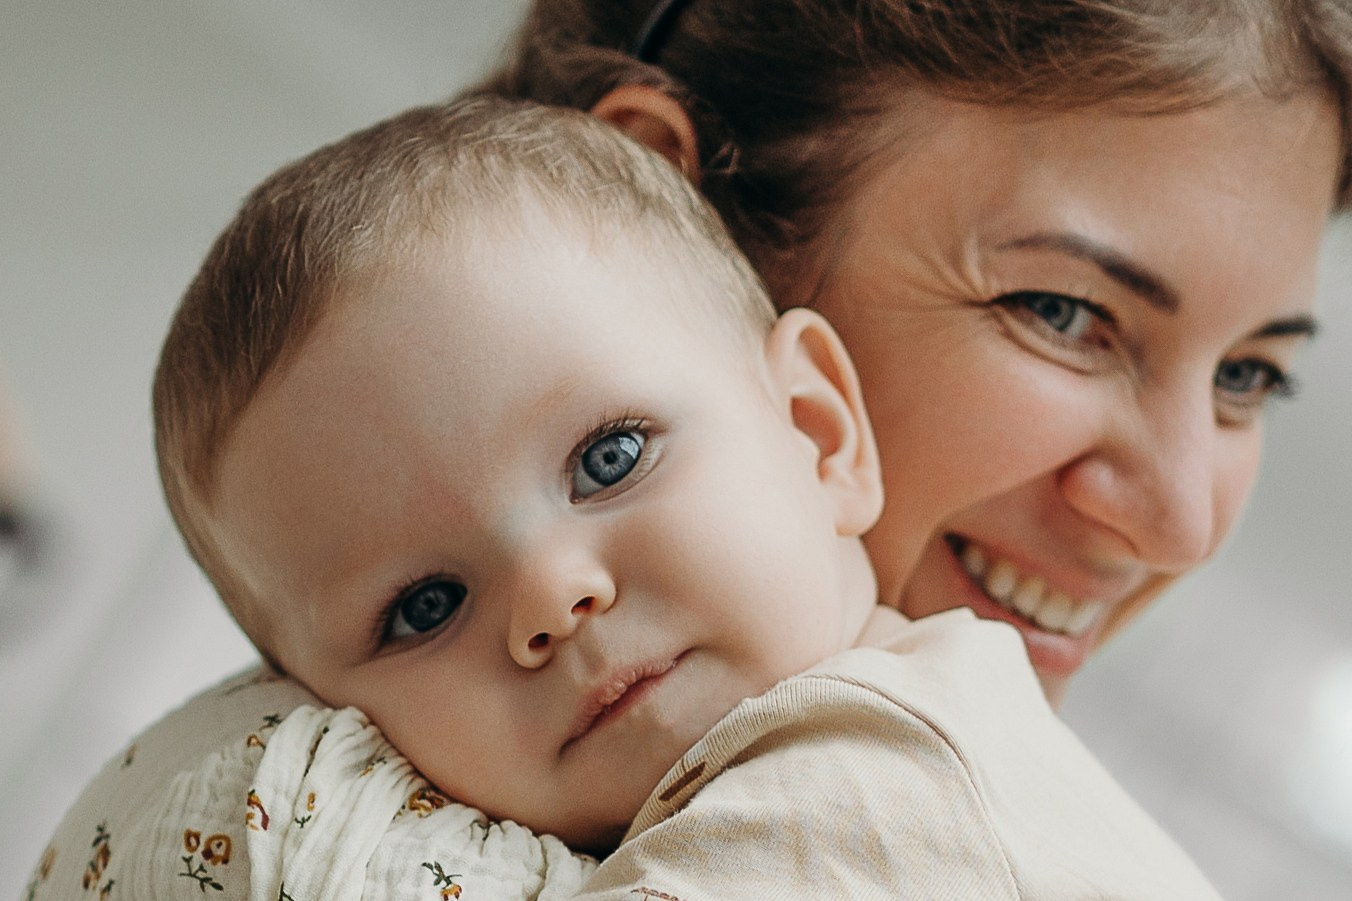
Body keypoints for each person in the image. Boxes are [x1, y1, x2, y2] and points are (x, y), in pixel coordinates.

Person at [31, 0, 1351, 892]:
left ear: (818, 416)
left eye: (1250, 376)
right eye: (1065, 313)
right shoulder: (278, 812)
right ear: (676, 192)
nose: (1183, 519)